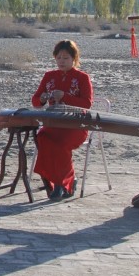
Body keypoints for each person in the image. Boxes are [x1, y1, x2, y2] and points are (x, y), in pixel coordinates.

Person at [31, 39, 94, 200]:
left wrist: (66, 97)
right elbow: (36, 101)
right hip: (54, 123)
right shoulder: (49, 76)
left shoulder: (82, 77)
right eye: (58, 58)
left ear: (74, 59)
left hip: (76, 125)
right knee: (43, 138)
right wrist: (44, 98)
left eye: (65, 58)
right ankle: (60, 181)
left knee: (60, 144)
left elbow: (87, 104)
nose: (61, 61)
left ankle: (61, 183)